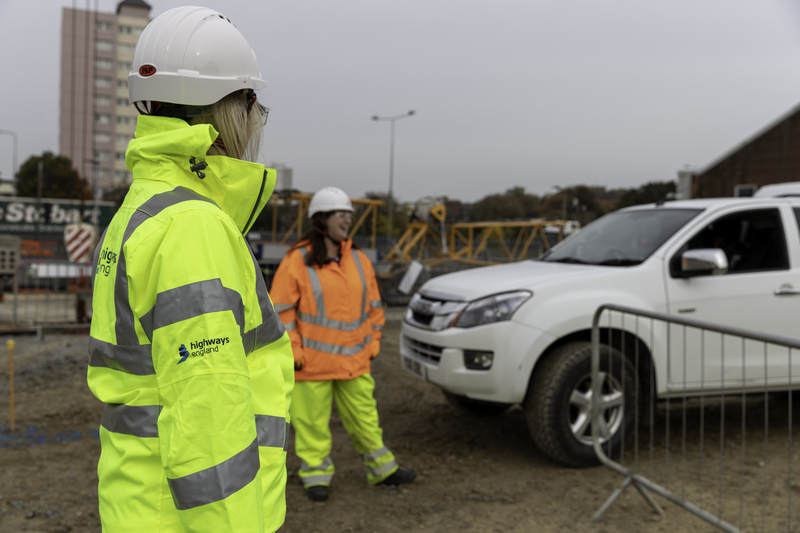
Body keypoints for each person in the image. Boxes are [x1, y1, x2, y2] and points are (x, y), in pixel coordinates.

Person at [86, 6, 294, 532]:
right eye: (255, 104)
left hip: (144, 503)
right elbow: (210, 428)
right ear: (235, 107)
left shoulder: (143, 207)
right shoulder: (191, 225)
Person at [270, 187, 416, 502]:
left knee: (366, 418)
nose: (348, 220)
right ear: (322, 219)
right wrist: (294, 351)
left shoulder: (359, 259)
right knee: (311, 427)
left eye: (349, 214)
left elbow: (374, 306)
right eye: (341, 214)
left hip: (354, 360)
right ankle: (315, 476)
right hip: (312, 364)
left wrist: (374, 341)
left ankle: (383, 470)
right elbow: (281, 311)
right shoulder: (297, 261)